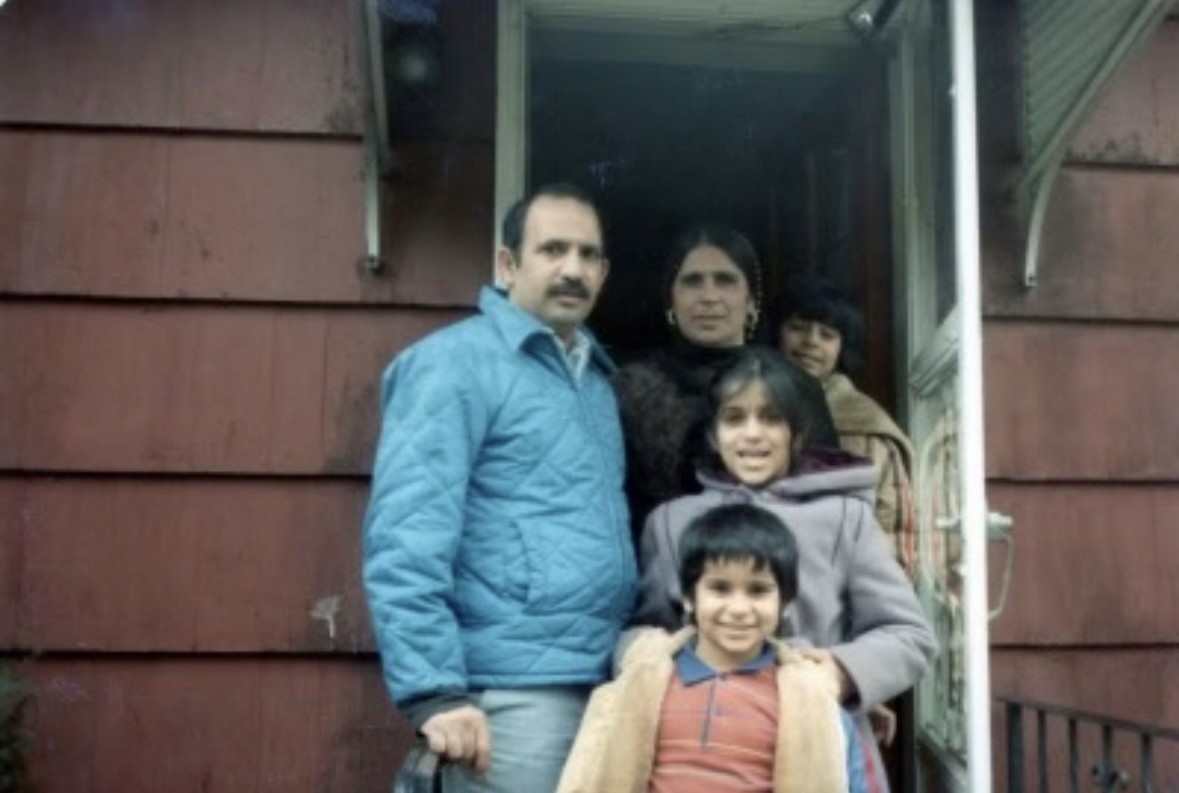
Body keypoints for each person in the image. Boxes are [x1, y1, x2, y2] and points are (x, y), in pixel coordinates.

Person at [362, 183, 638, 793]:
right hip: (510, 699)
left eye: (589, 255)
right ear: (508, 263)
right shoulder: (452, 365)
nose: (573, 269)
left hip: (602, 686)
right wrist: (435, 692)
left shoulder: (596, 380)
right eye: (553, 250)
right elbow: (406, 539)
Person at [631, 347, 935, 791]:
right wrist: (642, 653)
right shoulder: (672, 522)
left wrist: (843, 671)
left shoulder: (845, 519)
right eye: (734, 419)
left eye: (771, 418)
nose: (752, 434)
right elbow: (648, 629)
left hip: (819, 748)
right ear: (714, 434)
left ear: (797, 431)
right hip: (706, 755)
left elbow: (909, 636)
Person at [557, 503, 868, 793]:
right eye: (720, 589)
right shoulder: (642, 683)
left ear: (784, 602)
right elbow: (587, 772)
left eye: (758, 591)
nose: (738, 608)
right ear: (689, 598)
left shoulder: (813, 703)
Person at [613, 223, 837, 543]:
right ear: (670, 300)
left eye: (725, 281)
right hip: (658, 575)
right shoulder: (629, 388)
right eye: (693, 282)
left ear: (751, 301)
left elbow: (826, 508)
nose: (708, 296)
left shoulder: (796, 386)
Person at [776, 276, 917, 578]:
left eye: (827, 334)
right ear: (777, 332)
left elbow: (894, 535)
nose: (811, 341)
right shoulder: (745, 414)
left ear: (843, 347)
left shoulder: (870, 430)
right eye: (798, 327)